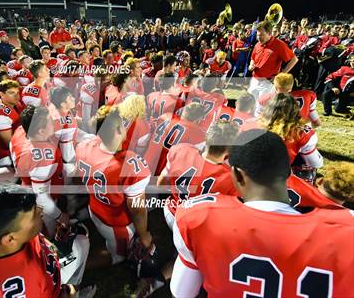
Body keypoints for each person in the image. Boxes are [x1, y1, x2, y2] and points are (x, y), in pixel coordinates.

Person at [171, 129, 354, 297]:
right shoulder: (346, 229)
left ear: (237, 174)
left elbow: (182, 293)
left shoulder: (198, 215)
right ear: (288, 172)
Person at [0, 184, 91, 297]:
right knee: (81, 245)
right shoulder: (27, 285)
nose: (40, 211)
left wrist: (48, 245)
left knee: (80, 242)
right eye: (33, 214)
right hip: (46, 286)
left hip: (41, 267)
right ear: (10, 239)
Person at [75, 106, 152, 265]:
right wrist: (143, 235)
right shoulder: (129, 165)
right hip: (116, 224)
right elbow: (137, 210)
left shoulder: (84, 146)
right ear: (118, 131)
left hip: (95, 207)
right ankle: (79, 265)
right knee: (119, 257)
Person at [157, 121, 239, 230]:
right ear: (230, 150)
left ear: (207, 137)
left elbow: (160, 184)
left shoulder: (181, 149)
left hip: (172, 213)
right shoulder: (231, 178)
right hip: (196, 228)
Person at [10, 106, 70, 234]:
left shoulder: (21, 130)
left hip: (29, 182)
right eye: (50, 122)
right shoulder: (42, 159)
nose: (53, 123)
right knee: (51, 230)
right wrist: (60, 216)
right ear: (41, 131)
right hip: (41, 198)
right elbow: (42, 198)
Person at [145, 102, 206, 176]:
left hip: (145, 164)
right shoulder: (197, 133)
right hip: (164, 172)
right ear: (198, 120)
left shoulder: (166, 116)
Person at [248, 20, 298, 100]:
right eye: (257, 35)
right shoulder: (257, 44)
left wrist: (280, 75)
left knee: (262, 108)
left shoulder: (279, 44)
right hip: (255, 79)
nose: (258, 38)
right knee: (250, 103)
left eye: (261, 35)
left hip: (268, 83)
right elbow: (252, 58)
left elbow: (294, 59)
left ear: (269, 33)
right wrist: (251, 64)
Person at [255, 73, 321, 127]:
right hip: (299, 130)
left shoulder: (265, 99)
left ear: (275, 86)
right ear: (291, 87)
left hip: (277, 131)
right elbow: (316, 120)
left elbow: (258, 120)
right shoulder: (308, 95)